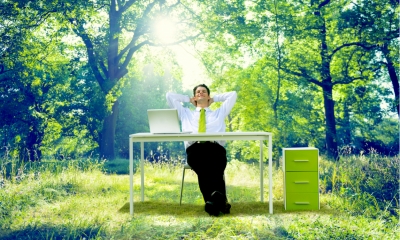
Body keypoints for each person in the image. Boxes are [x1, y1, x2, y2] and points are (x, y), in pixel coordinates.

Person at [166, 84, 237, 216]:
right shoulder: (186, 114)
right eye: (198, 92)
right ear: (194, 96)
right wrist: (188, 99)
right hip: (195, 149)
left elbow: (233, 95)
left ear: (208, 96)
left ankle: (212, 202)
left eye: (204, 92)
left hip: (216, 148)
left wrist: (214, 99)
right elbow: (169, 96)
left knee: (214, 162)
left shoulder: (219, 113)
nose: (201, 93)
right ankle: (220, 201)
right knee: (203, 162)